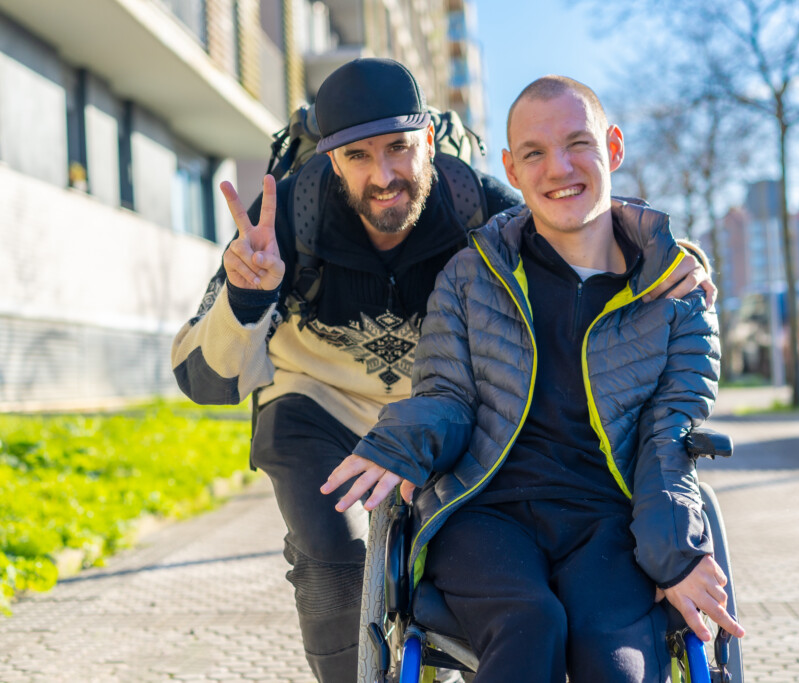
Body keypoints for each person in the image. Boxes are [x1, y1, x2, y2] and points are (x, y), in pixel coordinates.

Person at [173, 58, 714, 683]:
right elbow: (204, 383)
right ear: (329, 160)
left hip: (441, 412)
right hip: (317, 406)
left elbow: (570, 214)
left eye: (400, 148)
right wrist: (249, 297)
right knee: (335, 561)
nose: (384, 176)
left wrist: (672, 254)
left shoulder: (475, 205)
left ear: (429, 140)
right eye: (358, 157)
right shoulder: (286, 220)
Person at [323, 75, 744, 683]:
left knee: (619, 665)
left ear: (614, 148)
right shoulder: (470, 277)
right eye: (535, 154)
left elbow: (668, 435)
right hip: (485, 514)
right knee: (530, 625)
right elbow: (447, 396)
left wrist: (675, 554)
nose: (559, 168)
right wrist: (401, 441)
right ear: (511, 171)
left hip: (609, 523)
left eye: (578, 144)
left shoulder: (677, 294)